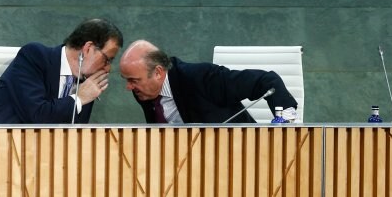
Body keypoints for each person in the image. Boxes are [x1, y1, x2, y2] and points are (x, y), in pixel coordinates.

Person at [119, 40, 298, 124]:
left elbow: (267, 81)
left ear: (158, 72)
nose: (129, 87)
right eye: (127, 80)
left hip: (237, 154)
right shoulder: (144, 91)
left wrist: (286, 123)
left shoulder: (201, 77)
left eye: (133, 80)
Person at [0, 18, 123, 123]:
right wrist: (78, 99)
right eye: (107, 59)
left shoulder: (85, 82)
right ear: (88, 49)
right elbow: (36, 117)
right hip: (5, 148)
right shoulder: (34, 56)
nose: (108, 68)